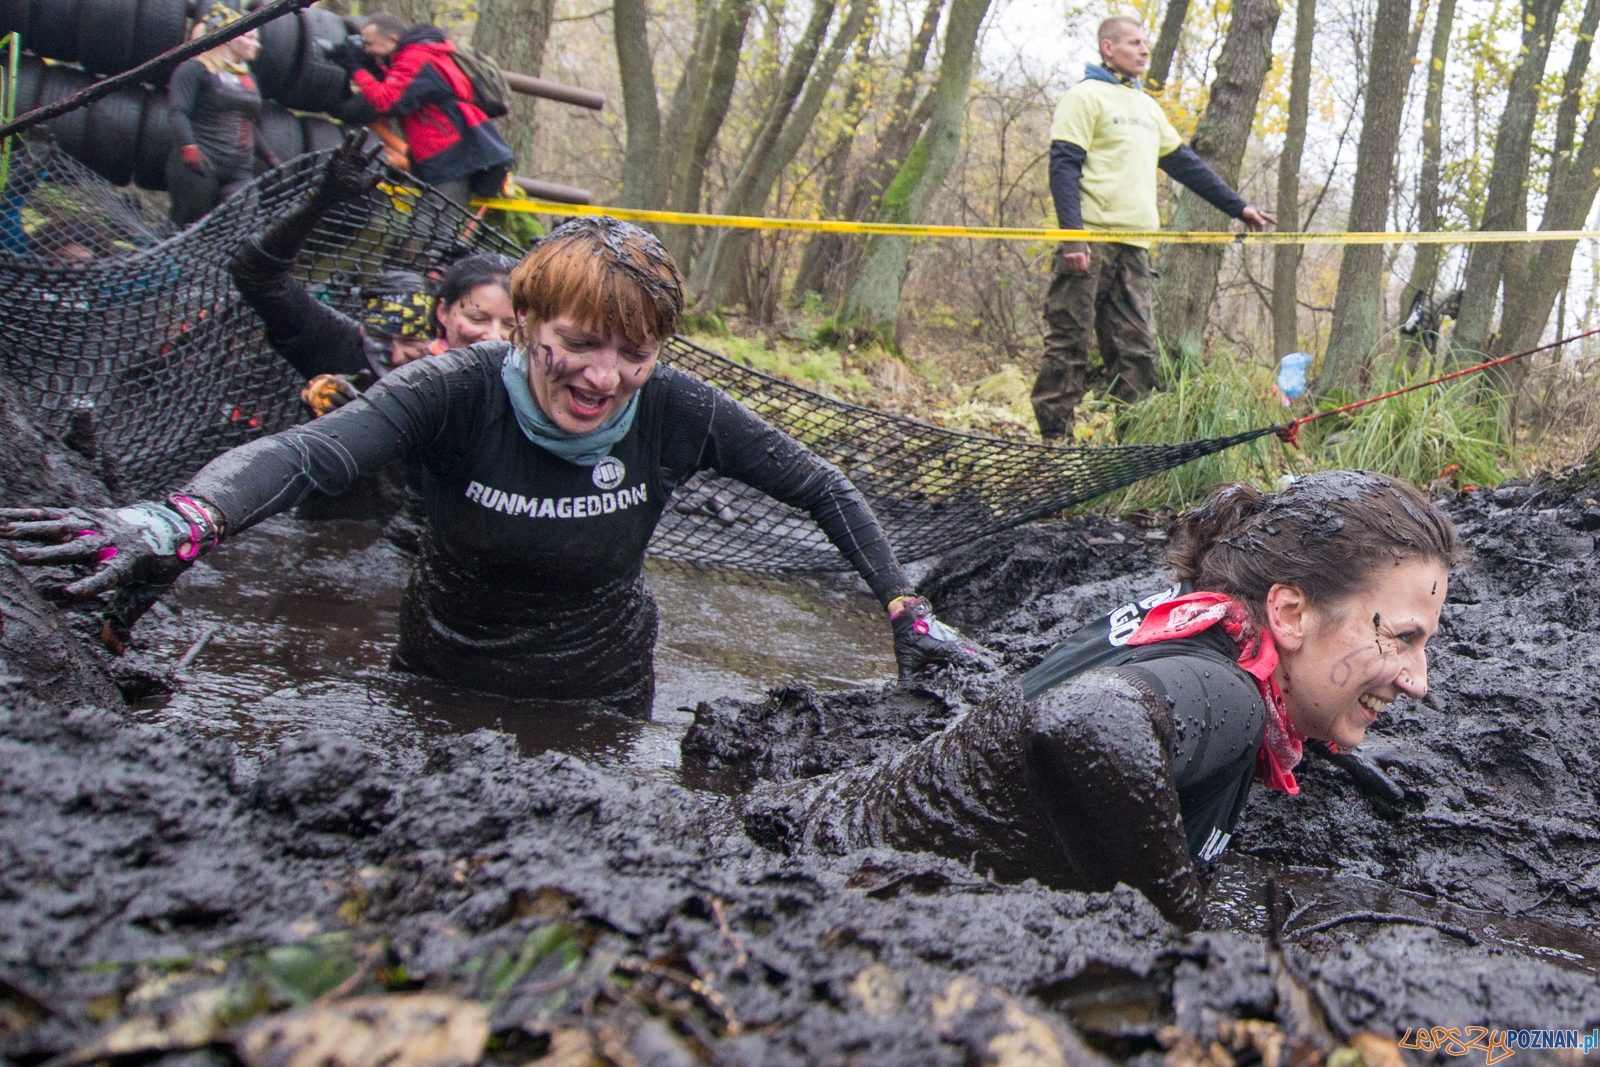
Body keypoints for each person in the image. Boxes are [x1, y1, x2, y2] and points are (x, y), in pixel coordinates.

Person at [3, 216, 978, 715]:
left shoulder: (678, 408)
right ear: (524, 325)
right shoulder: (452, 389)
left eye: (634, 354)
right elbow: (306, 455)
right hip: (437, 672)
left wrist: (907, 609)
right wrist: (182, 519)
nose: (604, 377)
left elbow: (822, 486)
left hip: (599, 691)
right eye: (580, 344)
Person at [743, 471, 1454, 930]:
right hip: (807, 895)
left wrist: (1322, 730)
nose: (1418, 680)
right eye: (1401, 638)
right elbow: (1088, 721)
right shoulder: (1231, 698)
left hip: (798, 830)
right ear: (1290, 613)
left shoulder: (1194, 623)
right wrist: (1181, 936)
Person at [1030, 16, 1275, 444]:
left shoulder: (1146, 107)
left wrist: (1239, 207)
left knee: (1137, 352)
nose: (1144, 50)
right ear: (1108, 49)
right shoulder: (1084, 97)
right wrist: (1073, 235)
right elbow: (1063, 167)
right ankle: (1055, 444)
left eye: (1145, 43)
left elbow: (1186, 165)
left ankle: (1133, 450)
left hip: (1134, 249)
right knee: (1068, 344)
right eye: (1133, 43)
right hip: (1089, 243)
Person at [228, 135, 515, 418]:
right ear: (444, 314)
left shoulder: (505, 390)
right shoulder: (345, 350)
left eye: (413, 345)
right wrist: (320, 203)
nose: (395, 356)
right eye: (381, 342)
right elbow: (258, 276)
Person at [344, 13, 514, 209]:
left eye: (370, 43)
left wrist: (357, 69)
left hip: (451, 156)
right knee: (430, 221)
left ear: (392, 39)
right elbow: (403, 88)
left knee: (434, 222)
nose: (367, 49)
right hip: (448, 152)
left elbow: (387, 101)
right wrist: (368, 69)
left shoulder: (416, 57)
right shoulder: (420, 55)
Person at [166, 5, 279, 227]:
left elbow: (248, 123)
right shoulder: (193, 69)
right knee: (190, 229)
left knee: (241, 226)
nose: (256, 45)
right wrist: (189, 146)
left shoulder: (248, 78)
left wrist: (269, 157)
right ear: (228, 38)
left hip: (239, 171)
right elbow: (178, 113)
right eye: (249, 38)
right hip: (201, 165)